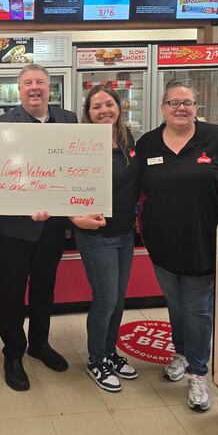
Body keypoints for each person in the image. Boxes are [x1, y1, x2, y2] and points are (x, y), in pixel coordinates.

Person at [136, 81, 218, 411]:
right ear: (162, 108)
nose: (180, 108)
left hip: (205, 241)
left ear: (196, 108)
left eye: (187, 102)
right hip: (161, 243)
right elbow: (134, 190)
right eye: (173, 102)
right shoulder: (147, 144)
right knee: (176, 303)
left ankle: (198, 373)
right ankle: (182, 353)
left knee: (198, 308)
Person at [0, 63, 78, 391]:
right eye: (27, 82)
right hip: (14, 227)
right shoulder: (1, 124)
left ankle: (40, 343)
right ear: (19, 89)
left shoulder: (68, 120)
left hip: (53, 227)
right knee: (11, 292)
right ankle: (13, 352)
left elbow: (76, 168)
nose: (34, 88)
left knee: (45, 288)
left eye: (40, 82)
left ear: (49, 87)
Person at [70, 85, 139, 392]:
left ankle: (110, 352)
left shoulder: (127, 141)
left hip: (125, 233)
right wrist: (73, 217)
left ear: (119, 108)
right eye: (96, 107)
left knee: (119, 300)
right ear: (88, 113)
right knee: (106, 298)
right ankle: (96, 359)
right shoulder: (80, 144)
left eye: (108, 104)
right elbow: (64, 183)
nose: (104, 111)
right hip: (96, 234)